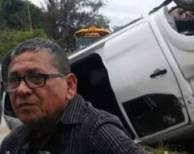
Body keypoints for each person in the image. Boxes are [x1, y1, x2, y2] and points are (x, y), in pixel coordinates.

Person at [0, 38, 147, 154]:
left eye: (37, 77)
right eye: (14, 80)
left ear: (70, 85)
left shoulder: (96, 133)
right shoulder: (13, 143)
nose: (21, 90)